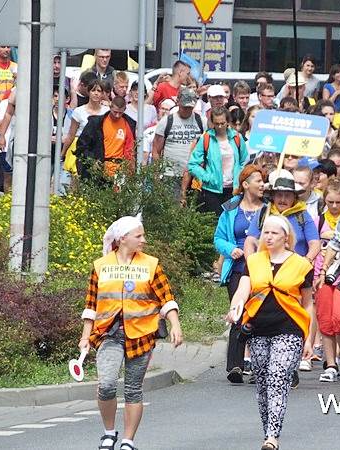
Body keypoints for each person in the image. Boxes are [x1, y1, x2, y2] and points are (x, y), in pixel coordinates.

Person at [79, 215, 183, 450]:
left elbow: (166, 298)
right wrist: (85, 337)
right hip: (108, 334)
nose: (143, 240)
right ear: (123, 238)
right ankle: (108, 433)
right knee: (106, 385)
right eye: (139, 236)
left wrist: (176, 325)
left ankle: (128, 441)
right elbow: (91, 305)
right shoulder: (101, 266)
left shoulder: (151, 265)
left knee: (133, 389)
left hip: (142, 335)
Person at [225, 215, 314, 450]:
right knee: (263, 381)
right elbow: (243, 290)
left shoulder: (302, 265)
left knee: (277, 377)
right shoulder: (253, 261)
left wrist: (309, 338)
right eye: (266, 232)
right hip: (258, 328)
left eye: (274, 233)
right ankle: (268, 431)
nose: (269, 236)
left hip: (290, 329)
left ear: (286, 237)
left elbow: (307, 303)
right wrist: (235, 307)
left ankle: (272, 437)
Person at [215, 165, 267, 384]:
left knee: (260, 317)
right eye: (258, 180)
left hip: (263, 269)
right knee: (238, 314)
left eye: (263, 181)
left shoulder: (268, 210)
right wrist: (230, 249)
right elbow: (218, 238)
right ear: (245, 184)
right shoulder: (230, 209)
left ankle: (259, 367)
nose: (262, 184)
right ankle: (235, 365)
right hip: (237, 268)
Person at [312, 179, 340, 383]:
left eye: (338, 202)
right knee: (325, 319)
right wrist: (317, 274)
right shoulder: (318, 220)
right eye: (330, 202)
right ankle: (330, 364)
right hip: (323, 274)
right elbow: (312, 245)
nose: (334, 206)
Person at [186, 106, 249, 215]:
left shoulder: (237, 137)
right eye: (216, 123)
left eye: (222, 123)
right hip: (212, 190)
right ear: (212, 122)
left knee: (230, 220)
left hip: (233, 190)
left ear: (228, 121)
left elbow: (245, 161)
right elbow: (192, 164)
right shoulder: (206, 138)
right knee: (214, 221)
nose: (220, 126)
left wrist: (239, 177)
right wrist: (207, 177)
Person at [76, 96, 137, 179]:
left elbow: (130, 148)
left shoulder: (129, 124)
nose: (117, 115)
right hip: (100, 168)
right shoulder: (97, 123)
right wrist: (92, 160)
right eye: (115, 112)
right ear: (110, 107)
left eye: (120, 113)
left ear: (124, 110)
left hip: (119, 170)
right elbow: (81, 146)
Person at [61, 79, 110, 175]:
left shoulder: (106, 112)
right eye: (93, 90)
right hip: (81, 148)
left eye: (99, 91)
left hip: (99, 150)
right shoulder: (79, 111)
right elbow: (71, 135)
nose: (96, 94)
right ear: (88, 92)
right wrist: (62, 153)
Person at [152, 87, 204, 173]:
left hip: (194, 175)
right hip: (169, 175)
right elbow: (156, 150)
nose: (187, 110)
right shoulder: (166, 121)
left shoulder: (202, 122)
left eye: (190, 107)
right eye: (184, 107)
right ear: (178, 102)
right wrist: (157, 173)